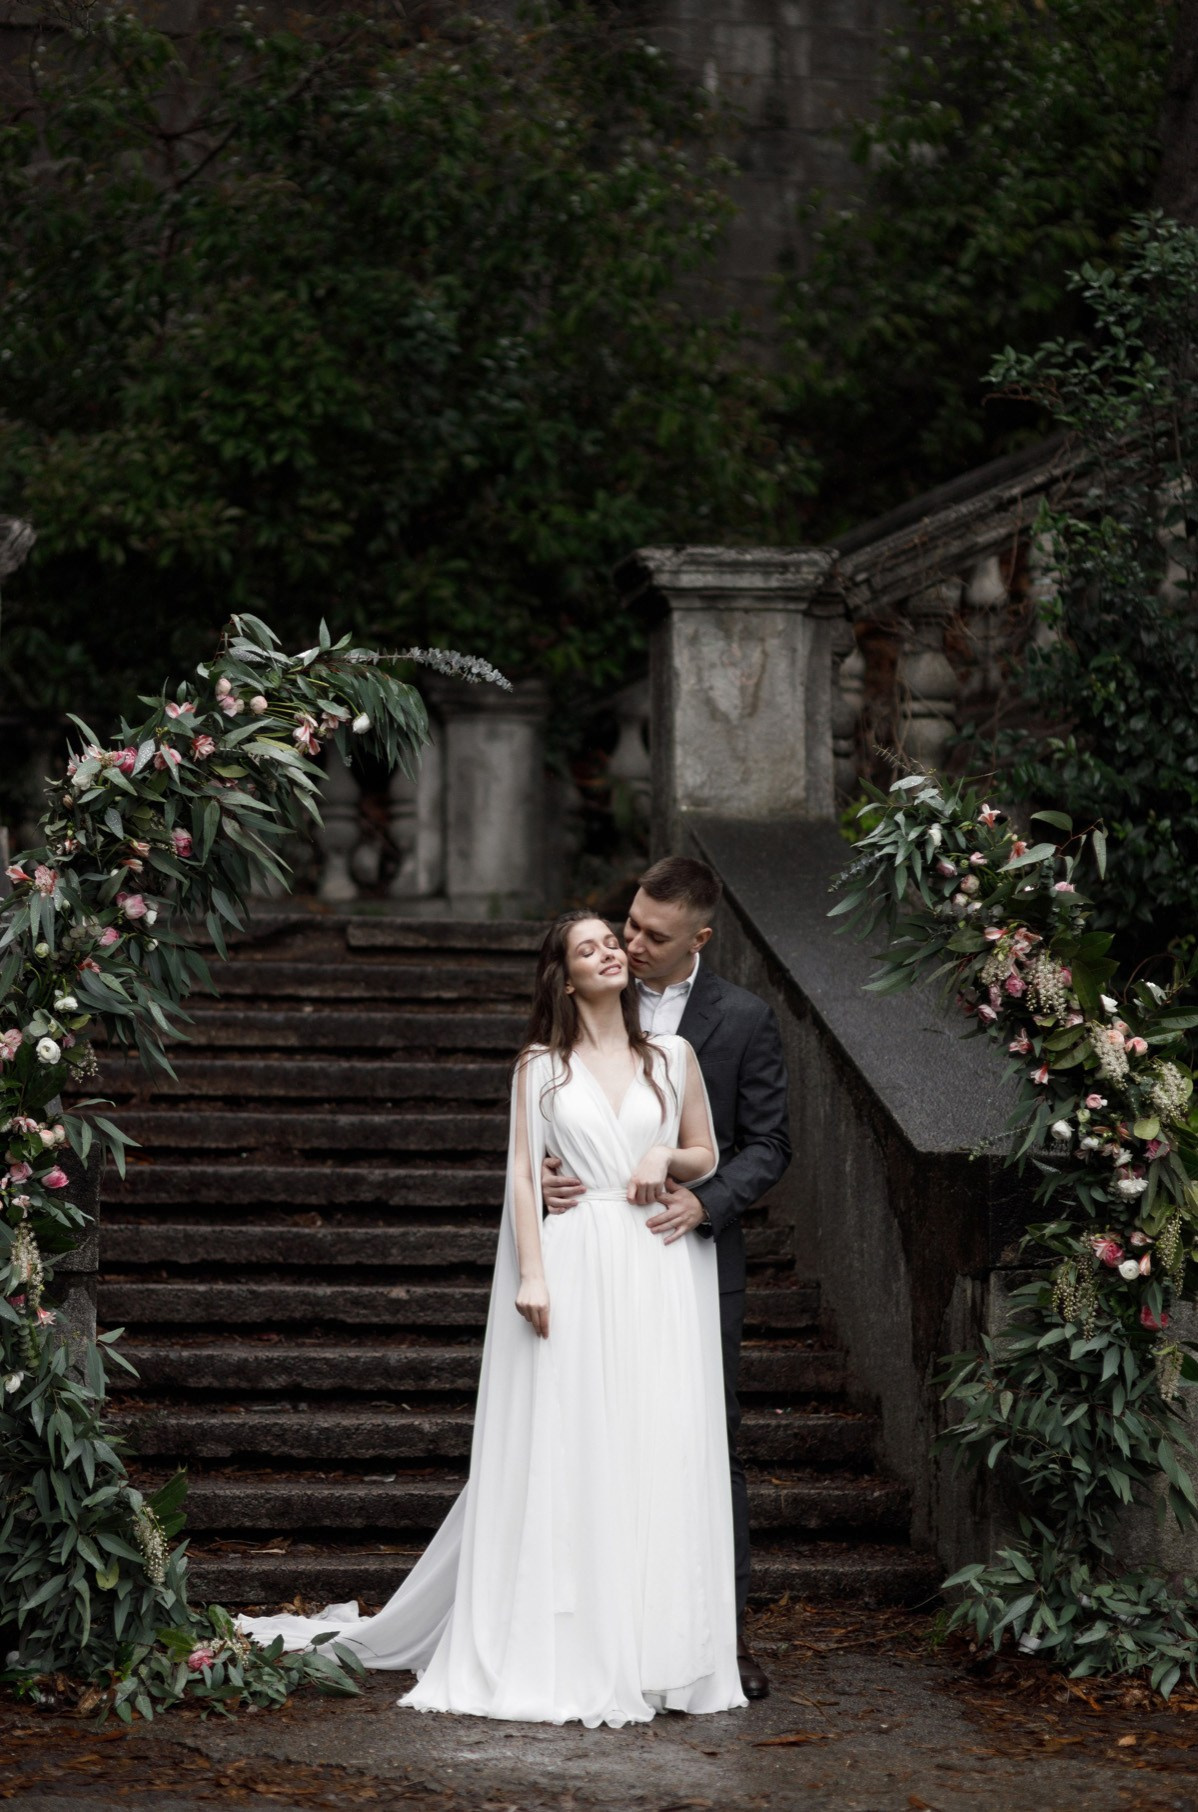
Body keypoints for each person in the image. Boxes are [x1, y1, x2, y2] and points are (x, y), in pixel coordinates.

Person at [239, 910, 746, 1728]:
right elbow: (520, 1172)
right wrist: (533, 1275)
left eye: (612, 943)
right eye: (590, 948)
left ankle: (661, 1650)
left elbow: (707, 1154)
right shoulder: (540, 1068)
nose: (610, 952)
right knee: (578, 1437)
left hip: (657, 1260)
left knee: (656, 1439)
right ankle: (573, 1638)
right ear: (564, 975)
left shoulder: (673, 1056)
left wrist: (663, 1157)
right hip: (578, 1257)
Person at [542, 857, 791, 1701]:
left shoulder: (745, 1019)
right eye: (629, 926)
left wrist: (707, 1203)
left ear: (701, 938)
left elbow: (769, 1144)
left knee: (702, 1443)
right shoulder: (586, 996)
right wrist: (544, 1171)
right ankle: (592, 1629)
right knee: (595, 1430)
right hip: (595, 1252)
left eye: (653, 934)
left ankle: (717, 1637)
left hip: (689, 1257)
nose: (632, 943)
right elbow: (548, 1105)